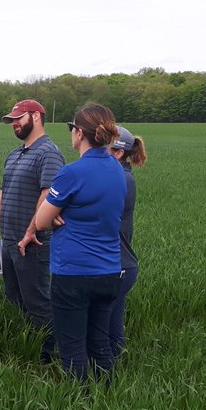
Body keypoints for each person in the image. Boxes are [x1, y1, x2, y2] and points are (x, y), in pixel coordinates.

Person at [33, 103, 126, 382]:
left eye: (71, 128)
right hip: (109, 270)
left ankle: (79, 406)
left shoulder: (72, 172)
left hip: (73, 272)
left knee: (72, 348)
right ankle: (106, 398)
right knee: (100, 344)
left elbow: (40, 222)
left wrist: (57, 215)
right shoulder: (117, 168)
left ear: (79, 133)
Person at [0, 99, 66, 363]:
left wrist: (31, 230)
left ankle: (47, 356)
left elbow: (48, 196)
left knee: (38, 302)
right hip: (9, 239)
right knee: (14, 297)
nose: (14, 124)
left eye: (18, 119)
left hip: (32, 243)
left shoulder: (49, 153)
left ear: (36, 116)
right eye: (11, 121)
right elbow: (3, 193)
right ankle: (25, 345)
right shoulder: (15, 154)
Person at [108, 126, 147, 358]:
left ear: (119, 153)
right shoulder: (121, 175)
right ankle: (115, 370)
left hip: (118, 265)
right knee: (112, 323)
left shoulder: (121, 179)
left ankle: (106, 376)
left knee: (105, 327)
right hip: (120, 263)